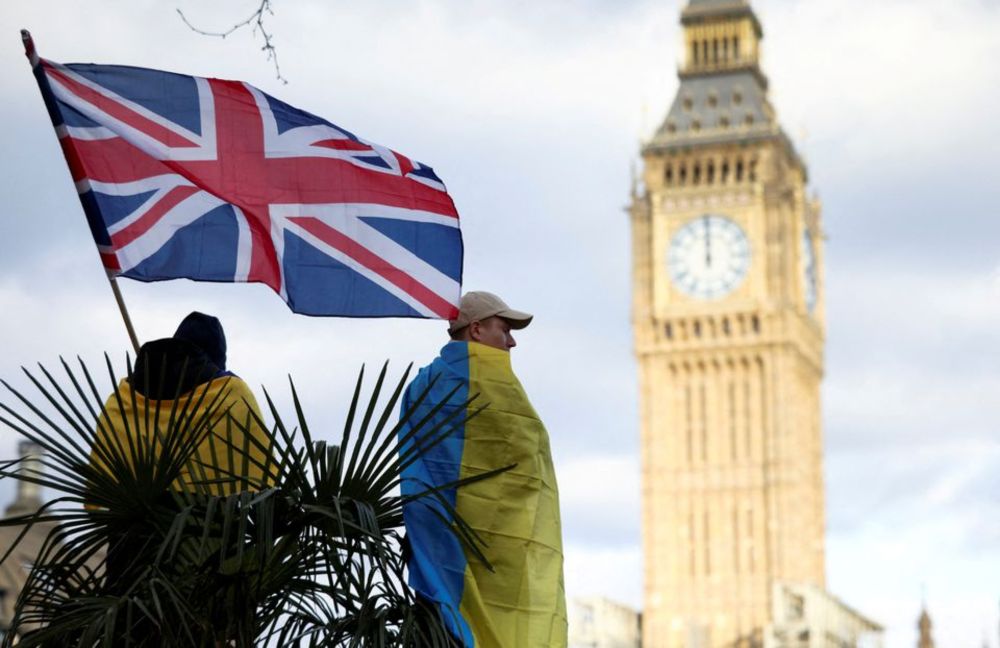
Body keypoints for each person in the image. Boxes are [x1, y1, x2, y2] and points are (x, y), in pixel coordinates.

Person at [398, 291, 567, 648]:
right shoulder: (498, 384)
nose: (512, 341)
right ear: (476, 330)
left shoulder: (421, 385)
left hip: (437, 555)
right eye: (504, 330)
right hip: (499, 562)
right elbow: (529, 476)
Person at [89, 312, 270, 497]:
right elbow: (263, 483)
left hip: (128, 524)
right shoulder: (230, 392)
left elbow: (99, 484)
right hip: (208, 523)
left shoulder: (123, 397)